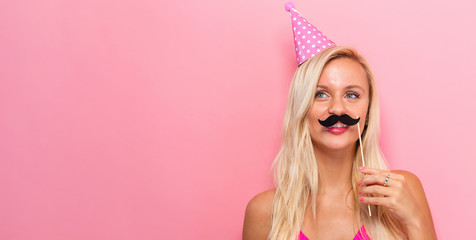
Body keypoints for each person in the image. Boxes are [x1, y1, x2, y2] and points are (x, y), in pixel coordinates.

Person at [242, 3, 437, 240]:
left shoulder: (401, 189)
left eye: (352, 94)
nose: (337, 108)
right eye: (320, 94)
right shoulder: (264, 212)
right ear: (302, 107)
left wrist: (415, 220)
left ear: (367, 110)